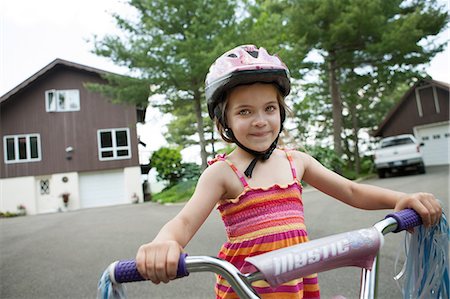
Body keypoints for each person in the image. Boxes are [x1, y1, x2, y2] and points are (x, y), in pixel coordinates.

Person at [136, 44, 442, 298]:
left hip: (298, 285)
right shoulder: (222, 173)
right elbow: (185, 221)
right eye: (244, 111)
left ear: (281, 112)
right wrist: (165, 243)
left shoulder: (298, 161)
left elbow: (351, 190)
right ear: (223, 122)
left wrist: (400, 199)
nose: (260, 120)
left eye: (269, 108)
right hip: (245, 289)